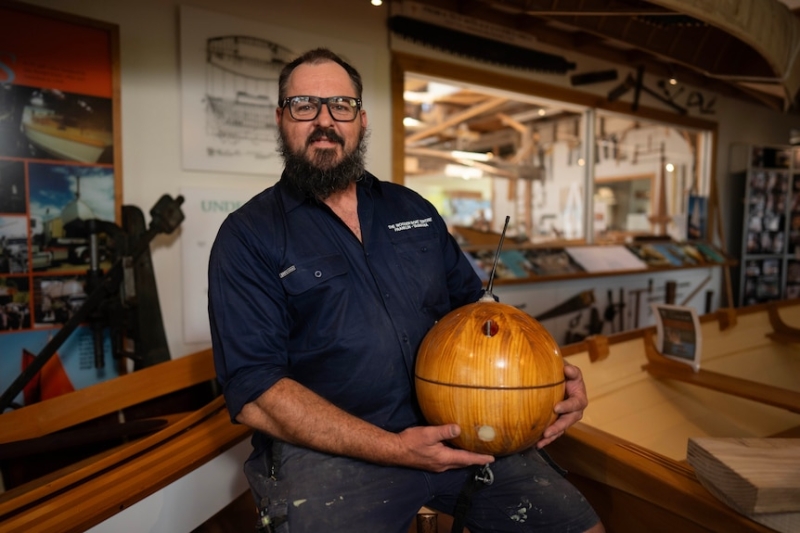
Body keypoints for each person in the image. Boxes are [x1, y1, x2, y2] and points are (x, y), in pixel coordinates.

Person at [208, 48, 603, 533]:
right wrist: (395, 448)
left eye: (341, 105)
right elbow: (256, 390)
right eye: (304, 106)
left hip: (452, 427)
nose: (324, 121)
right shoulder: (249, 235)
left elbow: (475, 315)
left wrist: (548, 380)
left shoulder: (410, 208)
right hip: (334, 455)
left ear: (361, 119)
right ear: (281, 119)